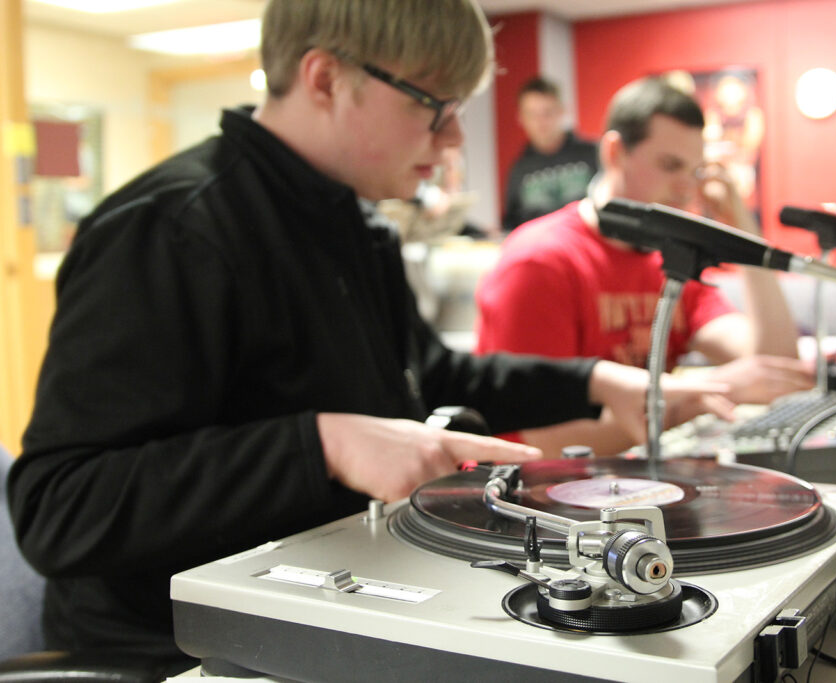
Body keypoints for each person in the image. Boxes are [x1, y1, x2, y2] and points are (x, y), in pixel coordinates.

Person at [6, 1, 734, 674]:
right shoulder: (170, 228)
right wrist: (321, 442)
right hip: (181, 644)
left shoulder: (357, 223)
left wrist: (592, 379)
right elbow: (58, 506)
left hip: (336, 595)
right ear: (326, 78)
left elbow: (429, 373)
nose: (453, 136)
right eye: (434, 105)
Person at [476, 73, 815, 458]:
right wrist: (706, 393)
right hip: (525, 503)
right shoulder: (539, 261)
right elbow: (553, 440)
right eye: (670, 165)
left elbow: (775, 364)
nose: (687, 188)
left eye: (695, 171)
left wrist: (743, 228)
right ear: (615, 152)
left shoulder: (671, 265)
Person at [502, 76, 599, 233]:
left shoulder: (593, 153)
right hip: (540, 250)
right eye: (532, 114)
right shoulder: (519, 169)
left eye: (547, 113)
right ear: (521, 118)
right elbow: (511, 224)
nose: (541, 122)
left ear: (562, 111)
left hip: (587, 246)